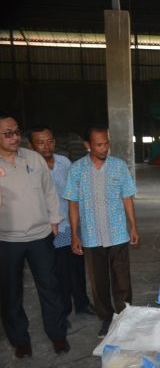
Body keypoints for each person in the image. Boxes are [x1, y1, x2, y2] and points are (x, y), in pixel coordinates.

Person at [0, 113, 69, 357]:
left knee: (50, 286)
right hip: (7, 239)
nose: (15, 137)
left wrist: (53, 219)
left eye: (17, 131)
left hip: (40, 235)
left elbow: (50, 191)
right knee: (10, 292)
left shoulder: (33, 159)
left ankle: (58, 334)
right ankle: (20, 339)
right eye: (8, 133)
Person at [64, 125, 139, 338]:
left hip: (117, 234)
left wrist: (133, 225)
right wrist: (74, 235)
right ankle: (106, 318)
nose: (104, 148)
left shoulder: (119, 166)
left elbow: (127, 197)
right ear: (88, 145)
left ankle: (125, 316)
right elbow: (73, 204)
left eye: (106, 143)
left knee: (122, 279)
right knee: (99, 282)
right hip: (91, 236)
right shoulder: (77, 169)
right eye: (99, 144)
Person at [28, 126, 95, 318]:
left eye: (49, 141)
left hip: (73, 225)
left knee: (77, 268)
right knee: (57, 273)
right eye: (40, 142)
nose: (46, 146)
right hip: (51, 229)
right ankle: (63, 310)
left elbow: (76, 192)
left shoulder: (64, 162)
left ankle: (82, 303)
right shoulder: (30, 168)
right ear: (32, 146)